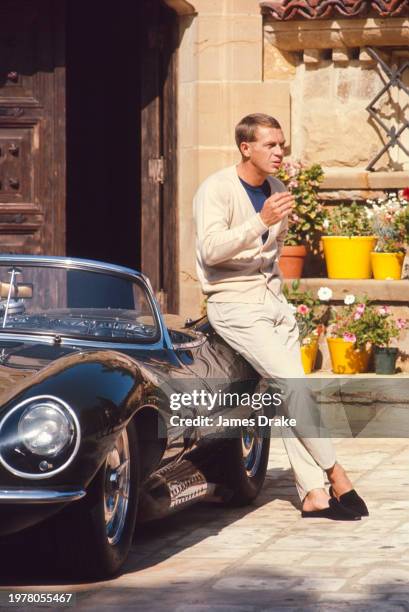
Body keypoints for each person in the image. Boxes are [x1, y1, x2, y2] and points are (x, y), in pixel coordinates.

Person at [193, 113, 368, 520]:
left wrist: (281, 304)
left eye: (281, 144)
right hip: (233, 304)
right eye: (270, 145)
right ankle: (335, 474)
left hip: (273, 304)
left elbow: (271, 257)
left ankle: (313, 495)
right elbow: (209, 251)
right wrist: (260, 221)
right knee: (294, 388)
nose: (279, 152)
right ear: (246, 148)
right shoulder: (216, 189)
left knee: (293, 392)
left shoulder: (277, 189)